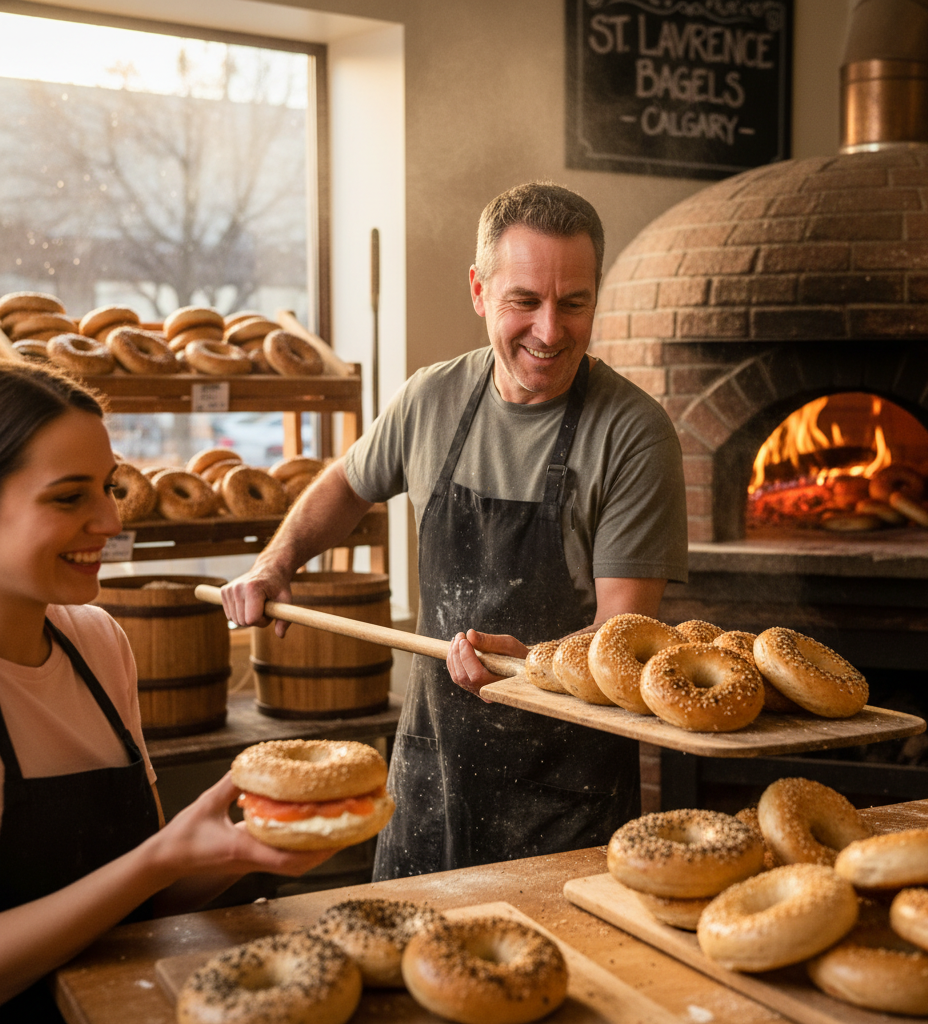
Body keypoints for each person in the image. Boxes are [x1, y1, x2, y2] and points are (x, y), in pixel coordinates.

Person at [221, 181, 688, 881]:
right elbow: (348, 484)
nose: (551, 331)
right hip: (431, 771)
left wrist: (531, 662)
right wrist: (276, 562)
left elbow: (623, 635)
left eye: (575, 302)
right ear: (479, 290)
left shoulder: (633, 433)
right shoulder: (429, 399)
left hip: (565, 791)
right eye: (524, 302)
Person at [0, 363, 336, 1019]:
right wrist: (163, 858)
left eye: (107, 487)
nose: (109, 518)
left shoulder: (97, 643)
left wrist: (242, 846)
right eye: (69, 498)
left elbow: (142, 896)